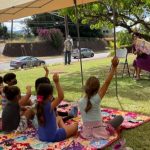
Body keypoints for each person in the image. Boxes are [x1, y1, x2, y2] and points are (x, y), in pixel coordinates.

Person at [78, 57, 124, 140]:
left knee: (103, 123)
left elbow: (107, 82)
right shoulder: (96, 99)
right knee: (120, 118)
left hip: (87, 132)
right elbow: (107, 82)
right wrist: (114, 67)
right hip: (100, 131)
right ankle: (104, 127)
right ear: (97, 88)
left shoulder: (80, 101)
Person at [36, 73, 78, 142]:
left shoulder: (38, 105)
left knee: (58, 118)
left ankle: (65, 131)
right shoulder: (49, 106)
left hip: (42, 136)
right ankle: (65, 133)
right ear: (50, 96)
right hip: (53, 137)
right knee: (76, 125)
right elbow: (61, 96)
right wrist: (57, 82)